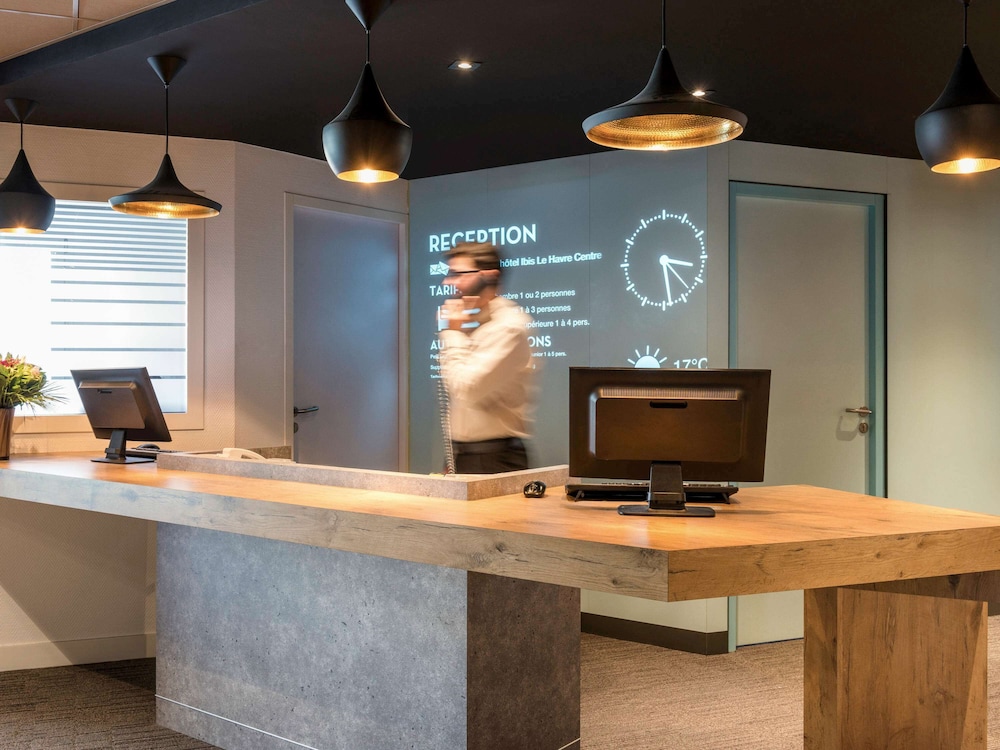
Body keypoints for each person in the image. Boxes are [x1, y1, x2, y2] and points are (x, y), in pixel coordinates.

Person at [437, 242, 537, 473]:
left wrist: (452, 332)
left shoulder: (509, 327)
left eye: (457, 274)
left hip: (492, 458)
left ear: (489, 276)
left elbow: (468, 390)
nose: (447, 283)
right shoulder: (473, 321)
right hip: (462, 453)